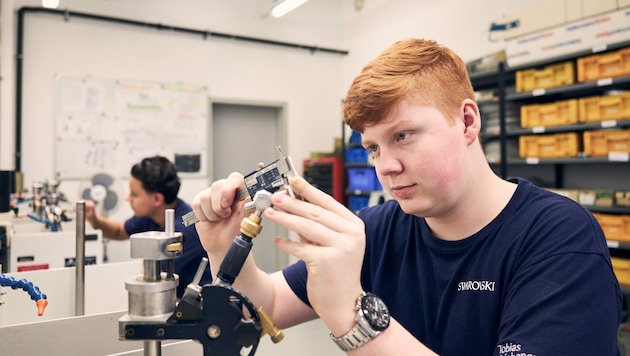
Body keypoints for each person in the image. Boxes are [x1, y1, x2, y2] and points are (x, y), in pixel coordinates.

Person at [191, 38, 623, 355]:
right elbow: (264, 308)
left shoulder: (558, 237)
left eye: (403, 136)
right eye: (374, 147)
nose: (385, 166)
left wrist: (354, 318)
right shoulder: (375, 230)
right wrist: (227, 250)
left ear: (467, 122)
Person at [85, 155, 211, 298]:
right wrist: (93, 218)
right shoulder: (151, 216)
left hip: (196, 306)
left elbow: (152, 278)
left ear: (156, 199)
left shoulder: (186, 227)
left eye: (134, 194)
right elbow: (118, 231)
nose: (128, 198)